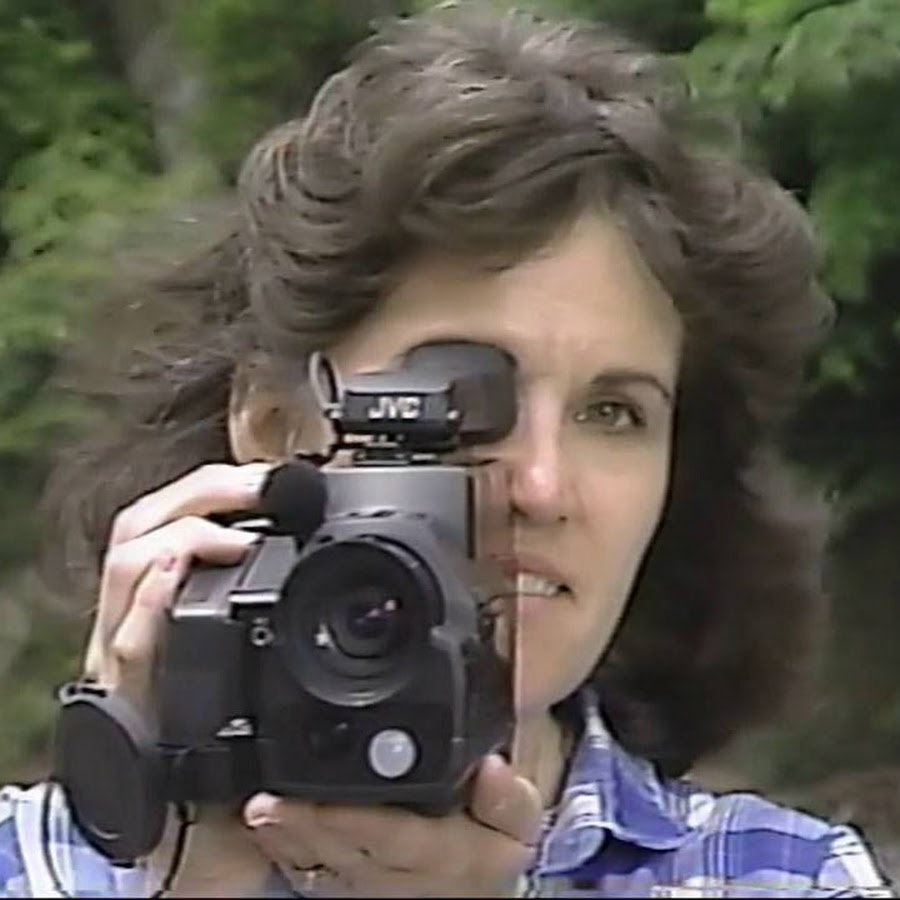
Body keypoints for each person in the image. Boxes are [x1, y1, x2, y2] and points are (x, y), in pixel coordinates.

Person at [0, 2, 894, 897]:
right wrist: (182, 868)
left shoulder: (786, 878)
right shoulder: (28, 865)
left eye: (615, 413)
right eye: (463, 396)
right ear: (274, 431)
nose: (541, 484)